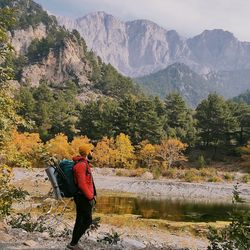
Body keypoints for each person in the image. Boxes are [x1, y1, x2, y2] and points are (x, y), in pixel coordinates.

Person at [67, 145, 96, 250]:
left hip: (82, 196)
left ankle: (73, 243)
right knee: (87, 220)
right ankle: (73, 243)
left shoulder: (83, 163)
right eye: (90, 152)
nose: (92, 153)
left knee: (80, 220)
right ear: (87, 153)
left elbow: (87, 182)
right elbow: (82, 184)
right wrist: (90, 197)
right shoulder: (81, 165)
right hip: (83, 197)